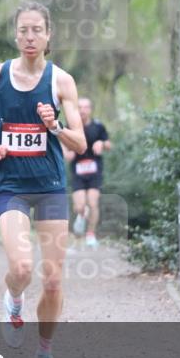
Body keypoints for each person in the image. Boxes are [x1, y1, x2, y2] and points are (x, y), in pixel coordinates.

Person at [0, 2, 86, 358]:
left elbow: (79, 143)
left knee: (52, 280)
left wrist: (55, 126)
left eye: (37, 30)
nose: (29, 37)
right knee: (21, 267)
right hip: (12, 185)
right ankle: (13, 301)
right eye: (23, 30)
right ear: (15, 35)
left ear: (49, 35)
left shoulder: (61, 81)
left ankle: (45, 356)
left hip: (50, 186)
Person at [63, 98, 111, 249]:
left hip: (94, 171)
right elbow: (62, 143)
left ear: (90, 109)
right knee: (80, 206)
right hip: (77, 172)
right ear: (76, 109)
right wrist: (66, 152)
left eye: (86, 107)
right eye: (80, 107)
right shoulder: (70, 127)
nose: (83, 110)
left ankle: (90, 235)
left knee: (93, 202)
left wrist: (101, 143)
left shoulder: (98, 126)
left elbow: (109, 144)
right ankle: (81, 217)